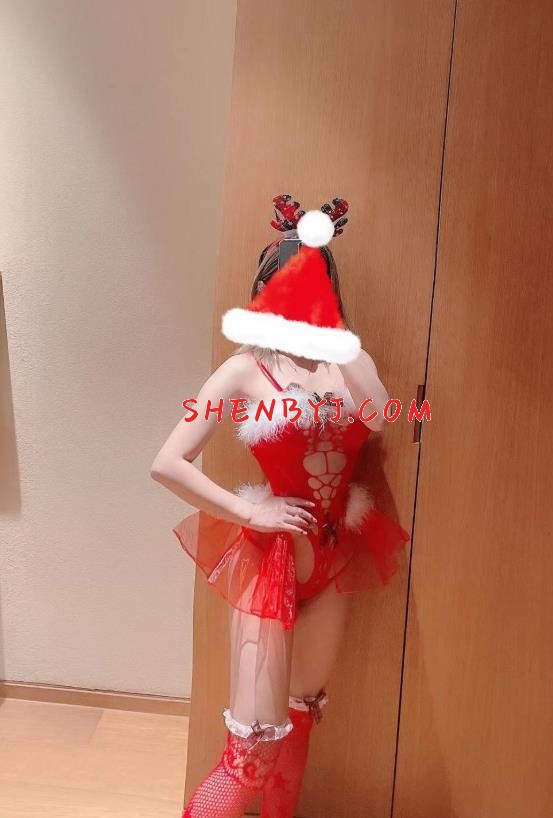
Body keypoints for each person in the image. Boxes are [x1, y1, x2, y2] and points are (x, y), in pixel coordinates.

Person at [150, 194, 410, 817]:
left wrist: (342, 345)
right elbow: (167, 463)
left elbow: (380, 416)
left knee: (300, 721)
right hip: (272, 565)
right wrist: (249, 513)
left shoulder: (348, 362)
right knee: (252, 753)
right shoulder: (243, 371)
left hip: (334, 559)